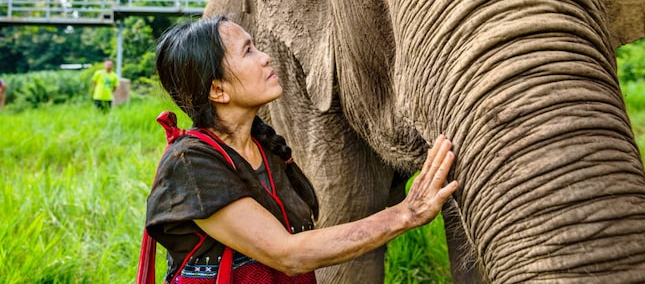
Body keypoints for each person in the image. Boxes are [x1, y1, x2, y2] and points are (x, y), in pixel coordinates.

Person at [145, 16, 458, 283]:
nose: (265, 57)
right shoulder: (190, 161)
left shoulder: (267, 150)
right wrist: (406, 213)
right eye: (249, 51)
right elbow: (288, 254)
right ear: (218, 90)